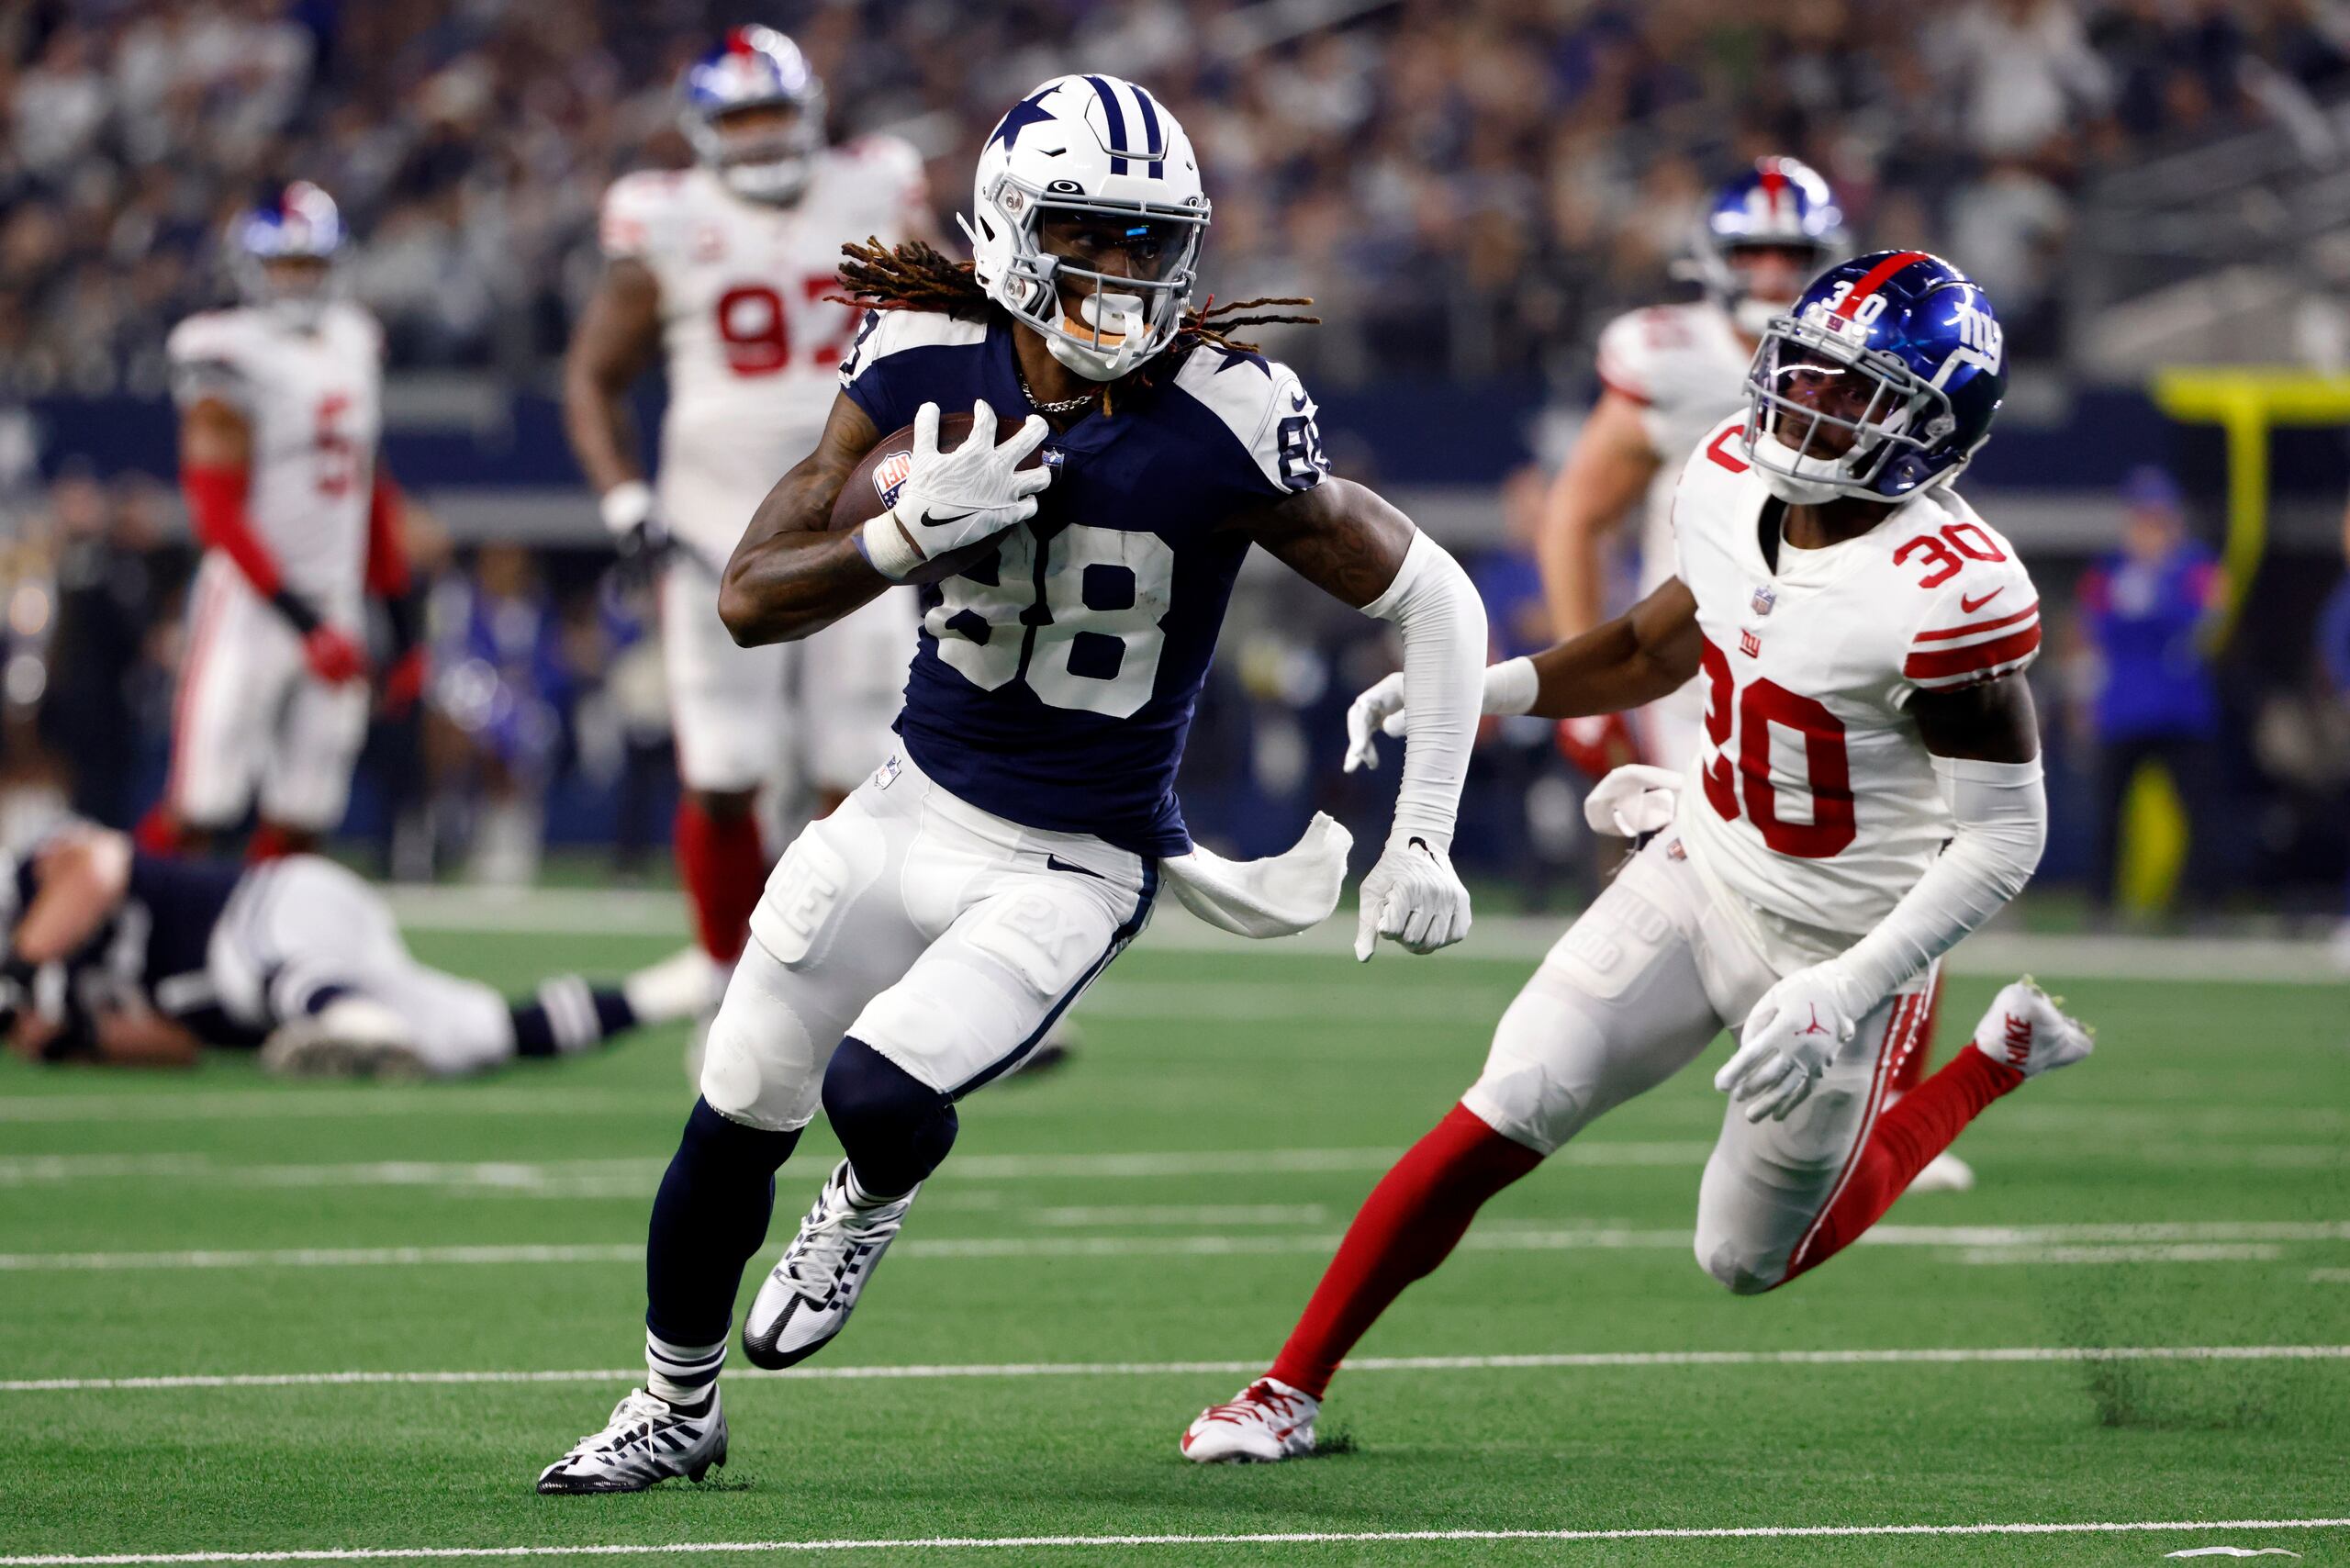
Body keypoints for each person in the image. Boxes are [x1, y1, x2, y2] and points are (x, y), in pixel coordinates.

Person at [536, 73, 1488, 1494]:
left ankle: (873, 1194)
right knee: (735, 1095)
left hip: (1075, 856)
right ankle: (675, 1408)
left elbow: (1439, 600)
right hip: (906, 800)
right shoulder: (922, 351)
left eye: (1147, 239)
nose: (1122, 272)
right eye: (1088, 234)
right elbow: (747, 595)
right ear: (1006, 228)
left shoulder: (1228, 412)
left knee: (874, 1090)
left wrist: (1425, 832)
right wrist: (899, 537)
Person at [1183, 252, 2091, 1463]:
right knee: (1505, 1102)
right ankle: (1284, 1388)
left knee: (1743, 1258)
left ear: (1935, 430)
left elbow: (2004, 837)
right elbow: (1655, 646)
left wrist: (1846, 985)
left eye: (1856, 393)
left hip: (1842, 949)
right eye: (1806, 373)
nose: (1809, 407)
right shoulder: (1723, 477)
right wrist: (1481, 687)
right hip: (1702, 866)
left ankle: (1990, 1062)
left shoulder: (1948, 594)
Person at [1542, 159, 1967, 1192]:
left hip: (1843, 657)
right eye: (1755, 253)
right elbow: (1577, 514)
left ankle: (1877, 1106)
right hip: (1710, 674)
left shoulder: (1888, 363)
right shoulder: (1670, 354)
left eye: (1793, 254)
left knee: (1906, 865)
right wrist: (1581, 678)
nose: (1774, 272)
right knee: (1732, 887)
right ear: (1714, 260)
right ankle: (1723, 1094)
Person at [564, 27, 930, 980]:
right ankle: (726, 980)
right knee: (724, 774)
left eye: (774, 112)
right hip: (712, 533)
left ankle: (846, 977)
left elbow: (949, 322)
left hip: (866, 519)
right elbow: (593, 376)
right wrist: (622, 501)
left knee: (866, 770)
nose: (762, 136)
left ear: (809, 113)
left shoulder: (875, 187)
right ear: (703, 129)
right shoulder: (665, 217)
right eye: (740, 118)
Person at [137, 182, 422, 862]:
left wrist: (402, 623)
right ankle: (126, 943)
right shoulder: (223, 348)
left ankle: (260, 958)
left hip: (337, 602)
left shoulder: (355, 339)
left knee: (305, 813)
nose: (297, 280)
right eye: (283, 264)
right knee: (202, 806)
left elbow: (368, 489)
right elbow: (214, 509)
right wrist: (302, 621)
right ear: (251, 267)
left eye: (310, 264)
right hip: (253, 602)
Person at [1, 824, 707, 1075]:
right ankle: (685, 987)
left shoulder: (37, 882)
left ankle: (351, 1022)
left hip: (277, 907)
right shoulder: (54, 988)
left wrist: (17, 972)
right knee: (480, 1035)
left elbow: (95, 869)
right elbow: (178, 1047)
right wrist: (76, 1039)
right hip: (296, 977)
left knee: (247, 975)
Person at [2073, 465, 2226, 917]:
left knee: (2198, 812)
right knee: (2108, 815)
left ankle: (2201, 905)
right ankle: (2101, 904)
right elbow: (2088, 629)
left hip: (2182, 709)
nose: (2150, 529)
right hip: (2122, 708)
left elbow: (2206, 623)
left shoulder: (2196, 566)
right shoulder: (2109, 569)